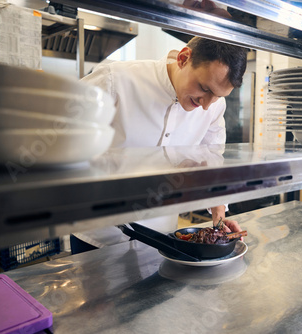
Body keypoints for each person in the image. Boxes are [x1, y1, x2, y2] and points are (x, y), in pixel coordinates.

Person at [77, 37, 247, 250]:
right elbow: (64, 141)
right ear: (184, 58)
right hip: (98, 232)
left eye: (218, 96)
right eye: (204, 88)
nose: (206, 105)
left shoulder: (214, 106)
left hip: (160, 236)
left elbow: (213, 162)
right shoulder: (115, 80)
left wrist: (219, 219)